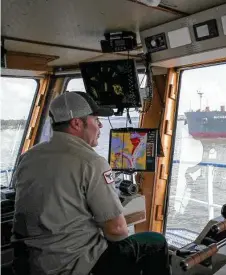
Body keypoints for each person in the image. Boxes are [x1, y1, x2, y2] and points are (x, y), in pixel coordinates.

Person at [11, 91, 171, 275]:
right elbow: (117, 230)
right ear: (77, 123)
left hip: (29, 264)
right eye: (95, 119)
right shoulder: (92, 162)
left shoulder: (28, 156)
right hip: (73, 265)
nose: (100, 125)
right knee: (155, 241)